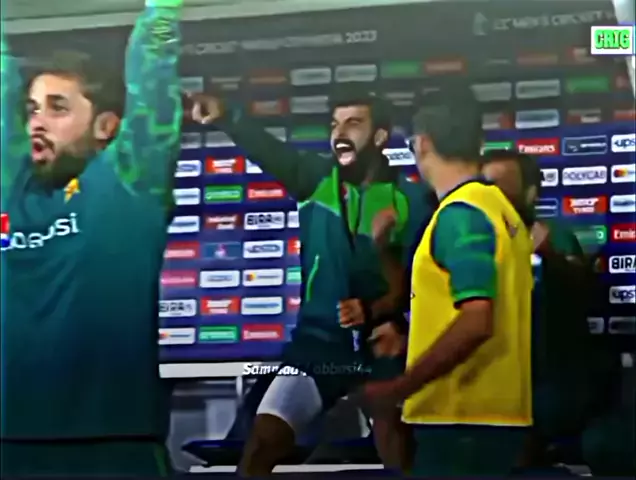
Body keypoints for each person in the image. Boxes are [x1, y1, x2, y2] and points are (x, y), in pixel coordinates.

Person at [187, 91, 435, 476]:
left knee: (398, 448)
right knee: (261, 444)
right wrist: (226, 115)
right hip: (317, 346)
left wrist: (385, 314)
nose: (340, 133)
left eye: (354, 123)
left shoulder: (413, 199)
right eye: (335, 124)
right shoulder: (314, 178)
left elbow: (421, 284)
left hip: (382, 347)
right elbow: (266, 148)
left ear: (381, 136)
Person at [0, 0, 184, 475]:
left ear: (106, 126)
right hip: (10, 446)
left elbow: (154, 73)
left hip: (117, 448)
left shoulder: (132, 184)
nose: (37, 121)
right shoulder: (10, 190)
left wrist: (161, 13)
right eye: (32, 109)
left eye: (57, 108)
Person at [362, 94, 534, 476]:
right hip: (497, 417)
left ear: (422, 143)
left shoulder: (461, 215)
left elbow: (477, 320)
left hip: (460, 420)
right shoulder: (502, 210)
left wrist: (399, 387)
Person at [481, 150, 621, 466]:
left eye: (499, 184)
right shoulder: (469, 239)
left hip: (549, 380)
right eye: (484, 184)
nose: (490, 193)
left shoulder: (554, 236)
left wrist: (548, 254)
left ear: (530, 193)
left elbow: (585, 293)